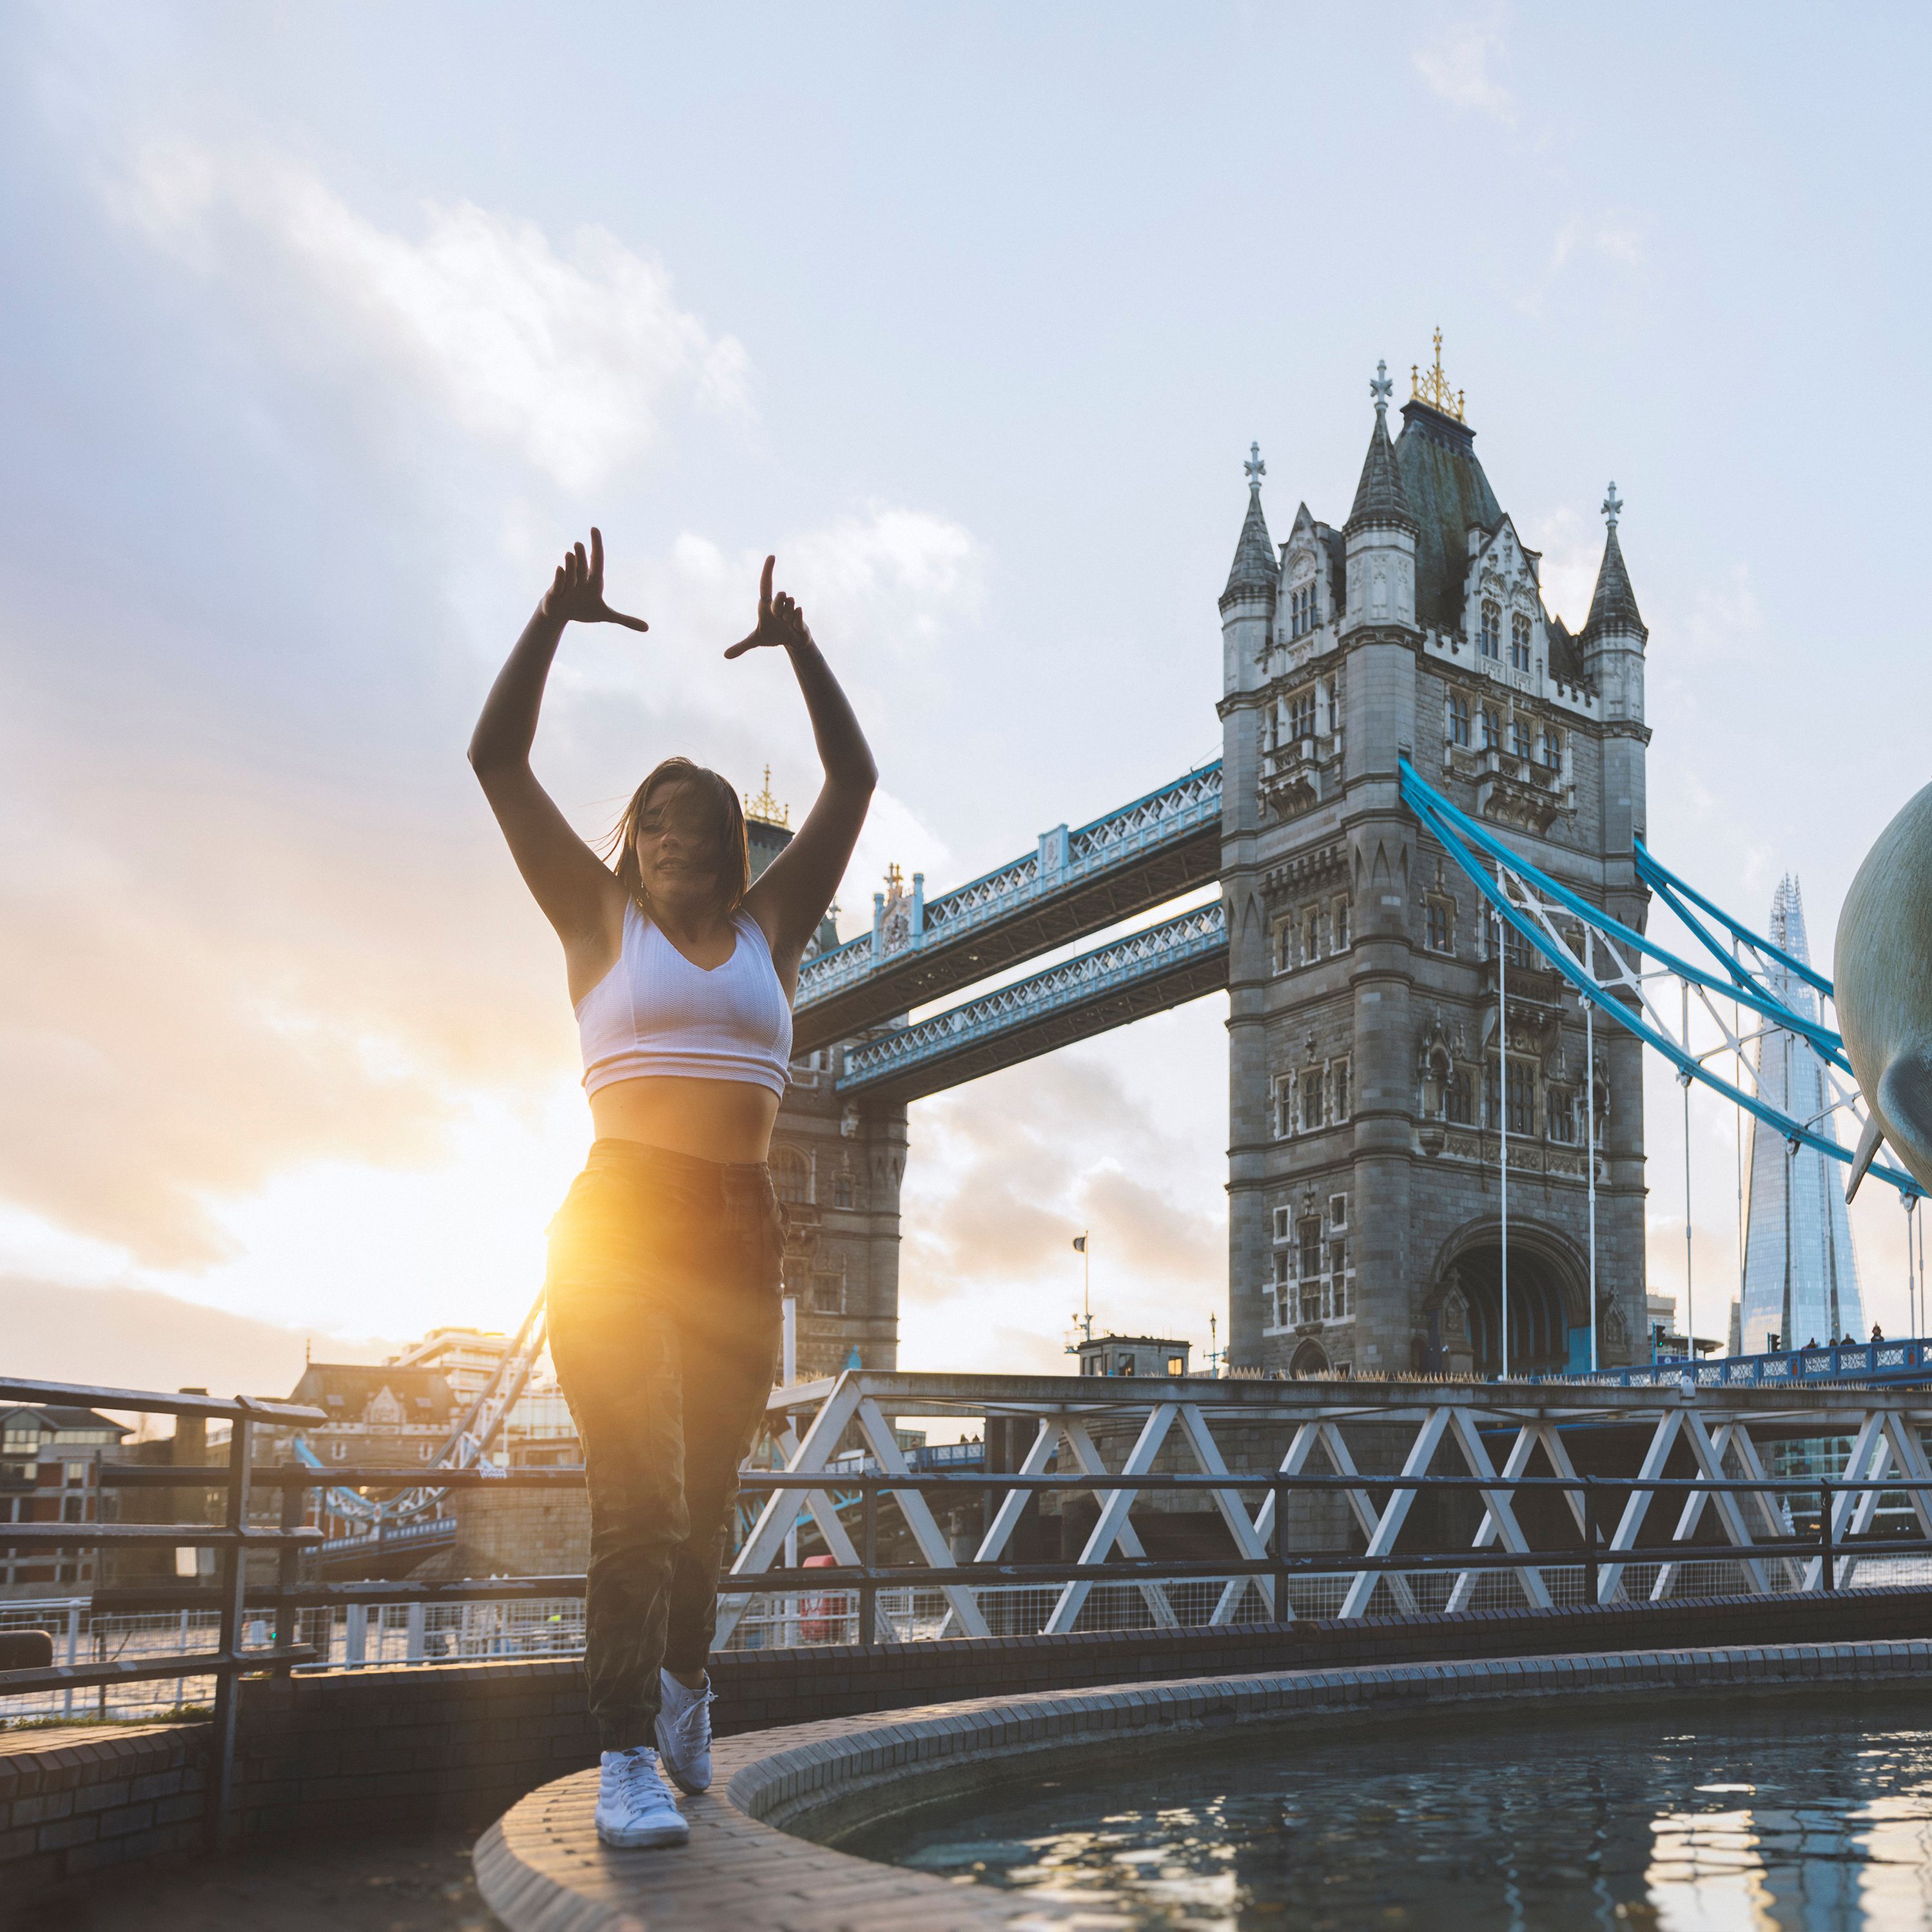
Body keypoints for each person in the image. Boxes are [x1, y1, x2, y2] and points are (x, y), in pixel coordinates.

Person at [469, 531, 875, 1849]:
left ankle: (686, 1680)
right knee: (636, 1495)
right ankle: (622, 1753)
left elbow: (853, 778)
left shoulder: (773, 929)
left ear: (728, 849)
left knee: (704, 1504)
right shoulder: (597, 923)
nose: (674, 841)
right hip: (615, 1221)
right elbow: (495, 759)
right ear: (628, 840)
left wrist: (799, 644)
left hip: (736, 1228)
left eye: (698, 825)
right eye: (652, 821)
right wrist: (551, 618)